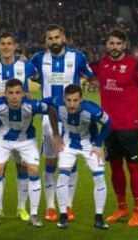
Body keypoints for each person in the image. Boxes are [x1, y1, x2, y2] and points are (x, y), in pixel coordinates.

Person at [90, 28, 138, 227]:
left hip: (130, 126)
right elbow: (78, 67)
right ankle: (122, 207)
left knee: (133, 166)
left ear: (124, 45)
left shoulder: (135, 65)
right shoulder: (101, 64)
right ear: (107, 44)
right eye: (111, 43)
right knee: (115, 167)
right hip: (109, 127)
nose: (114, 47)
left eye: (118, 43)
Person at [31, 24, 94, 221]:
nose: (53, 41)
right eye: (49, 38)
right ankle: (50, 207)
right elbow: (21, 69)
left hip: (72, 120)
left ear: (63, 38)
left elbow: (91, 76)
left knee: (70, 165)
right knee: (50, 163)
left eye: (57, 37)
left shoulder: (77, 57)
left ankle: (68, 206)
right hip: (49, 119)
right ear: (46, 41)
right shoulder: (39, 59)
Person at [0, 78, 61, 227]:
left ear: (23, 94)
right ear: (5, 94)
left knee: (33, 170)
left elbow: (51, 109)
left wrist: (56, 134)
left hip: (26, 140)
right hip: (3, 140)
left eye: (18, 93)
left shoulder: (32, 105)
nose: (14, 96)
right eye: (11, 93)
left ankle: (32, 213)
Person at [0, 31, 37, 221]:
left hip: (22, 122)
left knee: (22, 167)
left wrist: (29, 95)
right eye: (3, 43)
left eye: (9, 43)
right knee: (0, 167)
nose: (6, 47)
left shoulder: (26, 65)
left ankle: (21, 207)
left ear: (15, 46)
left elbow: (40, 77)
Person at [53, 84, 110, 230]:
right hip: (68, 143)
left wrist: (98, 144)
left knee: (99, 178)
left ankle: (99, 217)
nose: (71, 104)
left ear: (81, 99)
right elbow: (43, 106)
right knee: (63, 177)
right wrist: (55, 134)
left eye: (75, 100)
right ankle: (63, 215)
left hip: (89, 144)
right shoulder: (57, 102)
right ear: (64, 99)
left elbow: (108, 123)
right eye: (68, 100)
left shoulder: (91, 109)